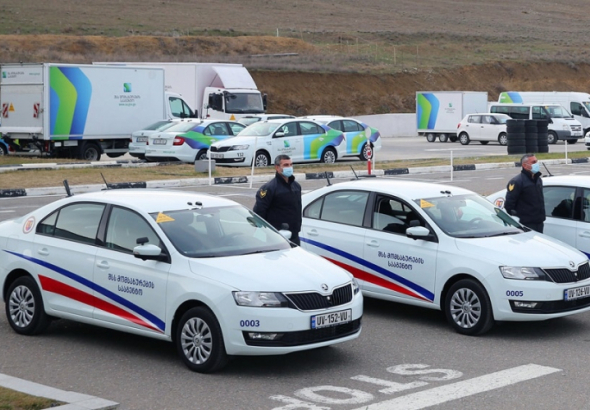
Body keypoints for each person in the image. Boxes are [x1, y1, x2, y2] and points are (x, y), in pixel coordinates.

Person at [253, 155, 302, 245]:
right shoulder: (269, 188)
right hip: (276, 236)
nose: (289, 167)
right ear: (277, 167)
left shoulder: (296, 186)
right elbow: (259, 213)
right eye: (286, 165)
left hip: (294, 236)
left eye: (291, 164)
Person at [504, 153, 545, 233]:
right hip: (526, 224)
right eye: (533, 162)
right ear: (525, 165)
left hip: (539, 222)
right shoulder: (517, 182)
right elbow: (509, 205)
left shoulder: (538, 180)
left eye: (536, 162)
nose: (536, 164)